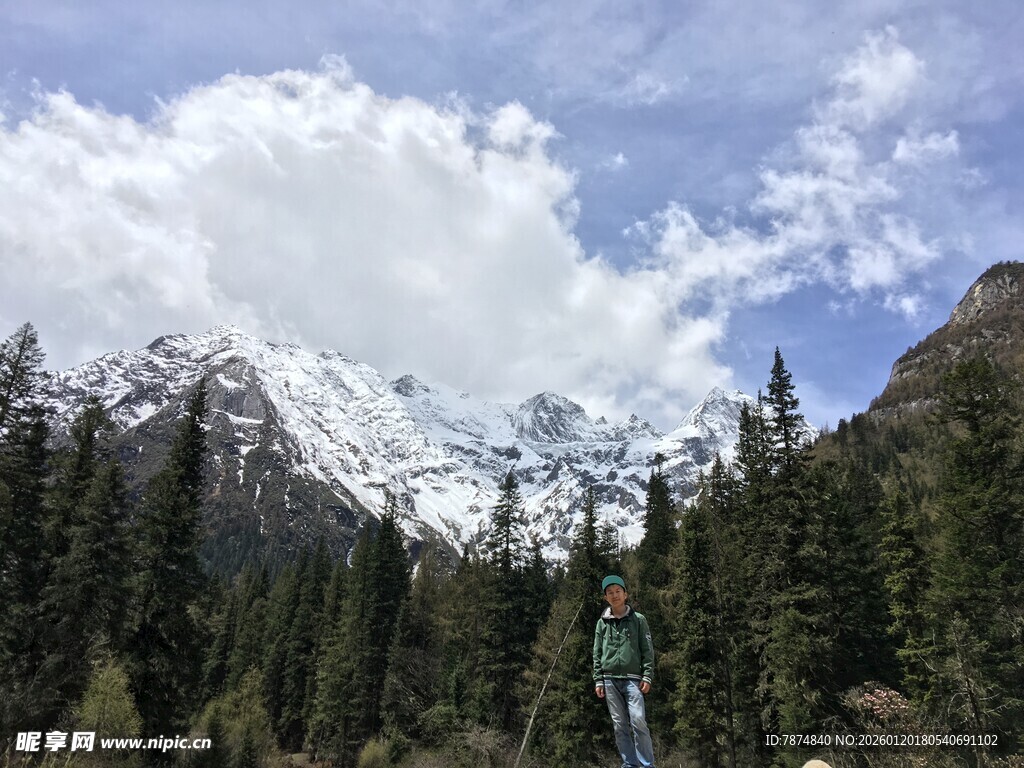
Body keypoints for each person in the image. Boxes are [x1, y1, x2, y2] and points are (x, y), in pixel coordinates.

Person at [593, 575, 656, 768]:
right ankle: (629, 764)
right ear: (605, 597)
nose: (615, 595)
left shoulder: (638, 620)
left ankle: (647, 764)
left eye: (618, 591)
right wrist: (598, 679)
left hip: (633, 679)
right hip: (609, 680)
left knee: (638, 720)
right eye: (610, 593)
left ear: (625, 594)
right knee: (619, 725)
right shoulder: (602, 623)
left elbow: (647, 650)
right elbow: (597, 652)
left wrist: (647, 675)